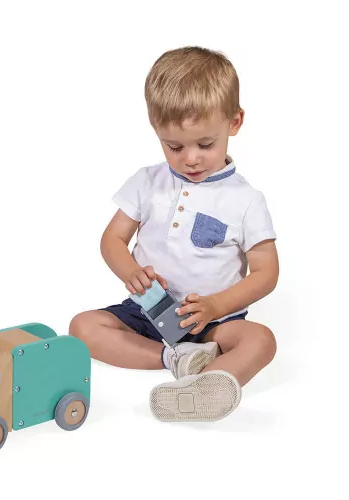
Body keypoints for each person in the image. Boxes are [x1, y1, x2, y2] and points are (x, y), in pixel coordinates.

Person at [69, 46, 279, 422]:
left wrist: (216, 306)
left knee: (261, 340)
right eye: (175, 146)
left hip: (215, 324)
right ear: (156, 129)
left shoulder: (246, 200)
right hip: (149, 311)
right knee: (82, 328)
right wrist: (131, 272)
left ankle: (212, 384)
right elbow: (112, 239)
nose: (190, 158)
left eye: (205, 144)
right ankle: (176, 360)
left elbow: (266, 273)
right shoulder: (147, 182)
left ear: (234, 122)